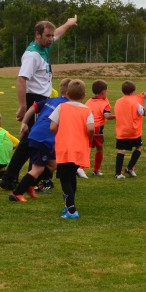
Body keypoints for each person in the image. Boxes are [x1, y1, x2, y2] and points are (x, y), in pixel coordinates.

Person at [0, 16, 77, 190]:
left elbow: (58, 33)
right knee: (29, 141)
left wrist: (69, 24)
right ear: (37, 35)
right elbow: (21, 80)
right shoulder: (32, 55)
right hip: (33, 98)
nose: (50, 39)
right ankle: (11, 178)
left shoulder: (44, 47)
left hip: (42, 99)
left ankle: (29, 177)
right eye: (47, 36)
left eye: (50, 36)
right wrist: (23, 106)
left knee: (33, 139)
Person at [8, 78, 70, 202]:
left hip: (36, 134)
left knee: (53, 164)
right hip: (43, 139)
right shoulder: (67, 106)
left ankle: (30, 185)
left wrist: (24, 123)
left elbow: (33, 107)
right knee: (38, 169)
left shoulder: (51, 100)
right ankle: (17, 193)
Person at [50, 79, 94, 219]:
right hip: (79, 148)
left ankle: (71, 209)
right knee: (71, 175)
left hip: (64, 148)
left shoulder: (61, 107)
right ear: (84, 95)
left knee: (64, 178)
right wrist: (89, 138)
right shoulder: (87, 110)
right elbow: (91, 128)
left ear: (67, 93)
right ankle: (69, 205)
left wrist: (61, 132)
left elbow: (52, 127)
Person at [113, 80, 146, 179]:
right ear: (134, 91)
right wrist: (145, 100)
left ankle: (118, 173)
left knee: (121, 150)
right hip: (133, 130)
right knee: (139, 147)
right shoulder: (135, 102)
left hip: (122, 130)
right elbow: (144, 112)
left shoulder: (118, 101)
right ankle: (129, 168)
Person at [85, 79, 114, 177]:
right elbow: (107, 116)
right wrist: (119, 116)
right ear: (103, 91)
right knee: (99, 148)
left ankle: (80, 169)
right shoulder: (104, 103)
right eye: (107, 90)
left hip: (86, 126)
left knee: (86, 147)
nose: (107, 92)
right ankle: (96, 170)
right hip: (97, 128)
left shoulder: (89, 101)